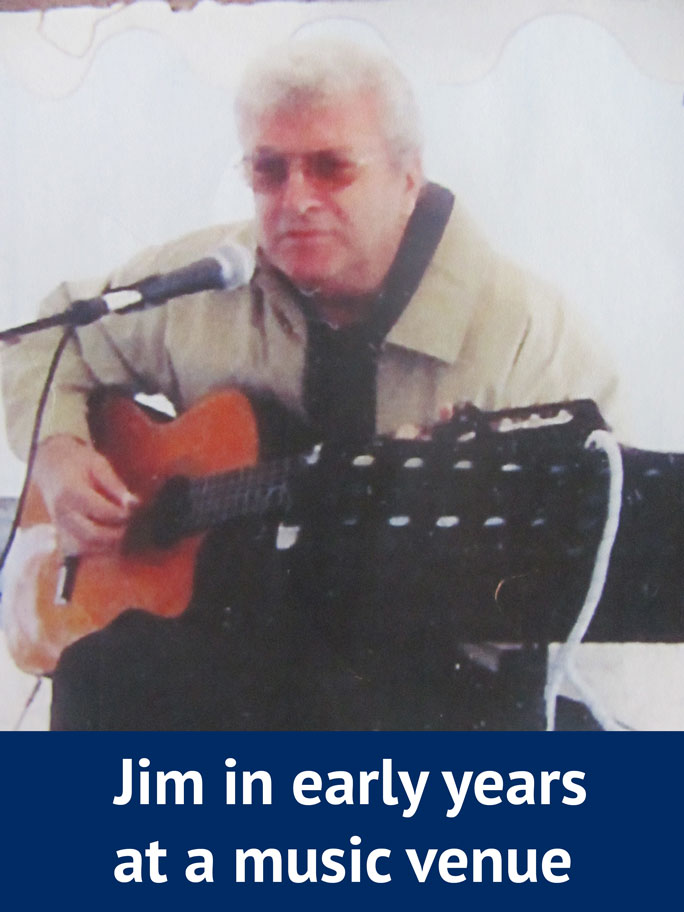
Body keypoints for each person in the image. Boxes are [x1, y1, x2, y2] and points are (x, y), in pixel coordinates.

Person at [1, 37, 624, 730]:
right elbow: (44, 341)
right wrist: (56, 453)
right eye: (270, 170)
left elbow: (596, 558)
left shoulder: (526, 335)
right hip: (241, 648)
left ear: (408, 178)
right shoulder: (213, 274)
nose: (297, 199)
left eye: (332, 168)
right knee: (96, 669)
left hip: (434, 673)